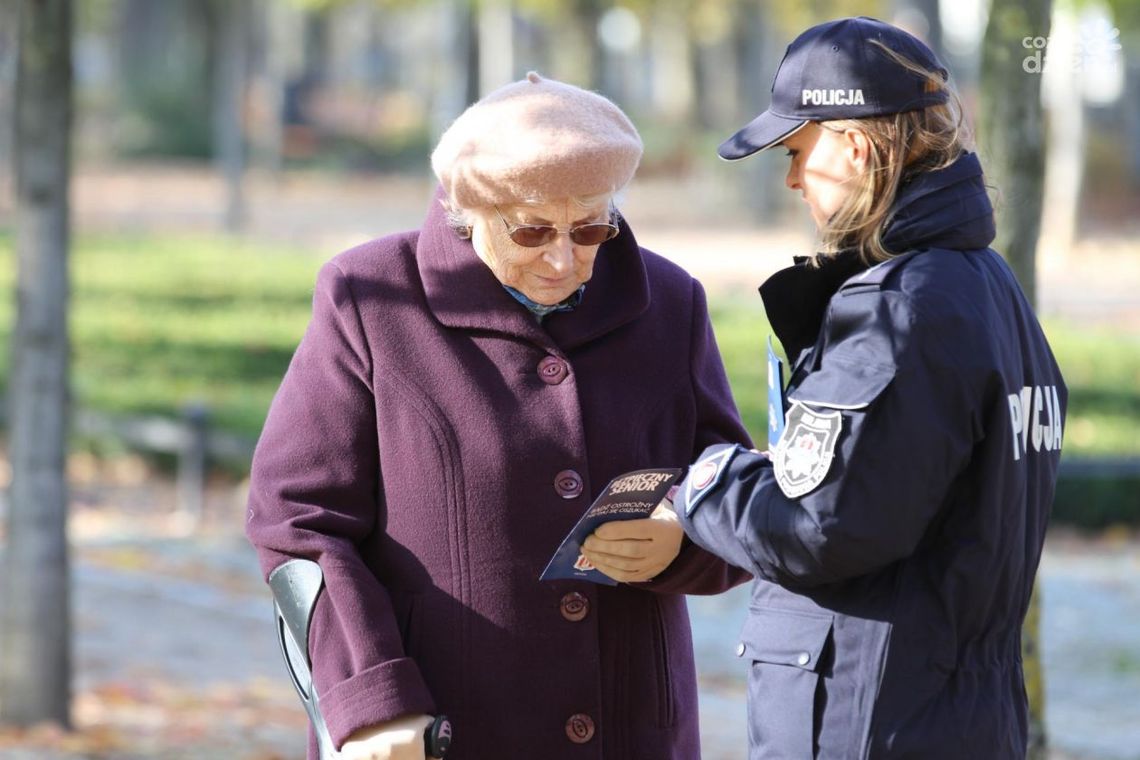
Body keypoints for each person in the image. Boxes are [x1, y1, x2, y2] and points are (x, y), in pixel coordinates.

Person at [582, 16, 1066, 760]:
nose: (789, 179)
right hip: (954, 714)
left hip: (869, 721)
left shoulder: (899, 308)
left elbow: (817, 528)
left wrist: (705, 480)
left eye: (799, 152)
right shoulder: (989, 289)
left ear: (857, 146)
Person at [245, 71, 751, 760]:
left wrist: (684, 536)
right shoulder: (368, 298)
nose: (565, 257)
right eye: (532, 229)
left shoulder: (670, 302)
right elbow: (297, 519)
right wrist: (369, 701)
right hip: (438, 729)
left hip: (630, 730)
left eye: (593, 227)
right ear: (466, 209)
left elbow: (732, 489)